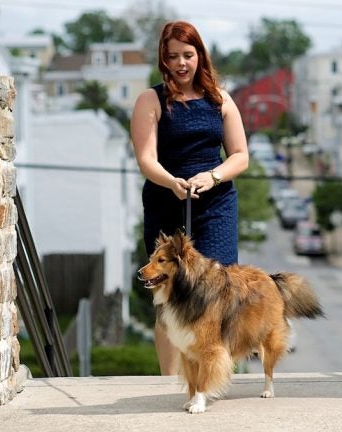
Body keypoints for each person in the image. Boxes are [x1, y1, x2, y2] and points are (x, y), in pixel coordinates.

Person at [130, 20, 249, 375]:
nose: (181, 63)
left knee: (219, 292)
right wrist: (172, 181)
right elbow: (146, 159)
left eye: (188, 55)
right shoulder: (150, 100)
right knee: (170, 297)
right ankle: (170, 382)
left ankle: (214, 375)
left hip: (216, 203)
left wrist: (212, 177)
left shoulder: (220, 99)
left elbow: (240, 155)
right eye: (172, 57)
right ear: (162, 60)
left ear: (200, 56)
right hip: (167, 200)